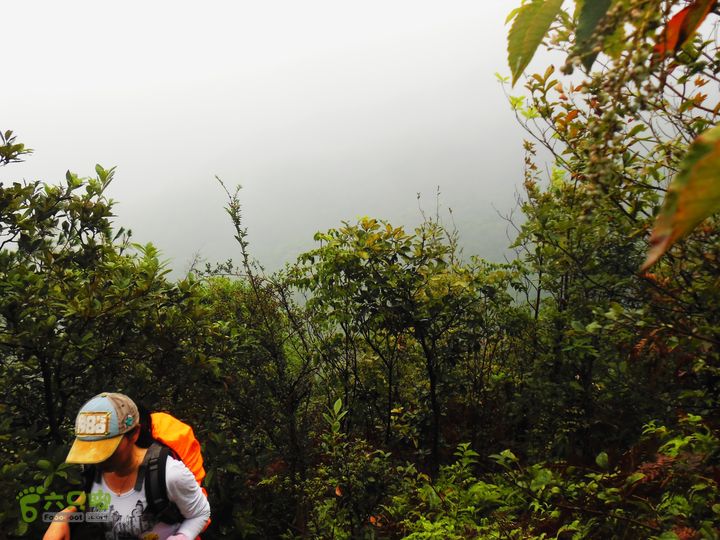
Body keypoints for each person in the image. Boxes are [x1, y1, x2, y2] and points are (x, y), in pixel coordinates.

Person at [43, 392, 211, 540]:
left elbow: (201, 512)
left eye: (107, 449)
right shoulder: (97, 467)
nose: (98, 460)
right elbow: (89, 495)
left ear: (134, 433)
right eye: (92, 450)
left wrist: (182, 536)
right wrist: (62, 517)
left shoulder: (169, 474)